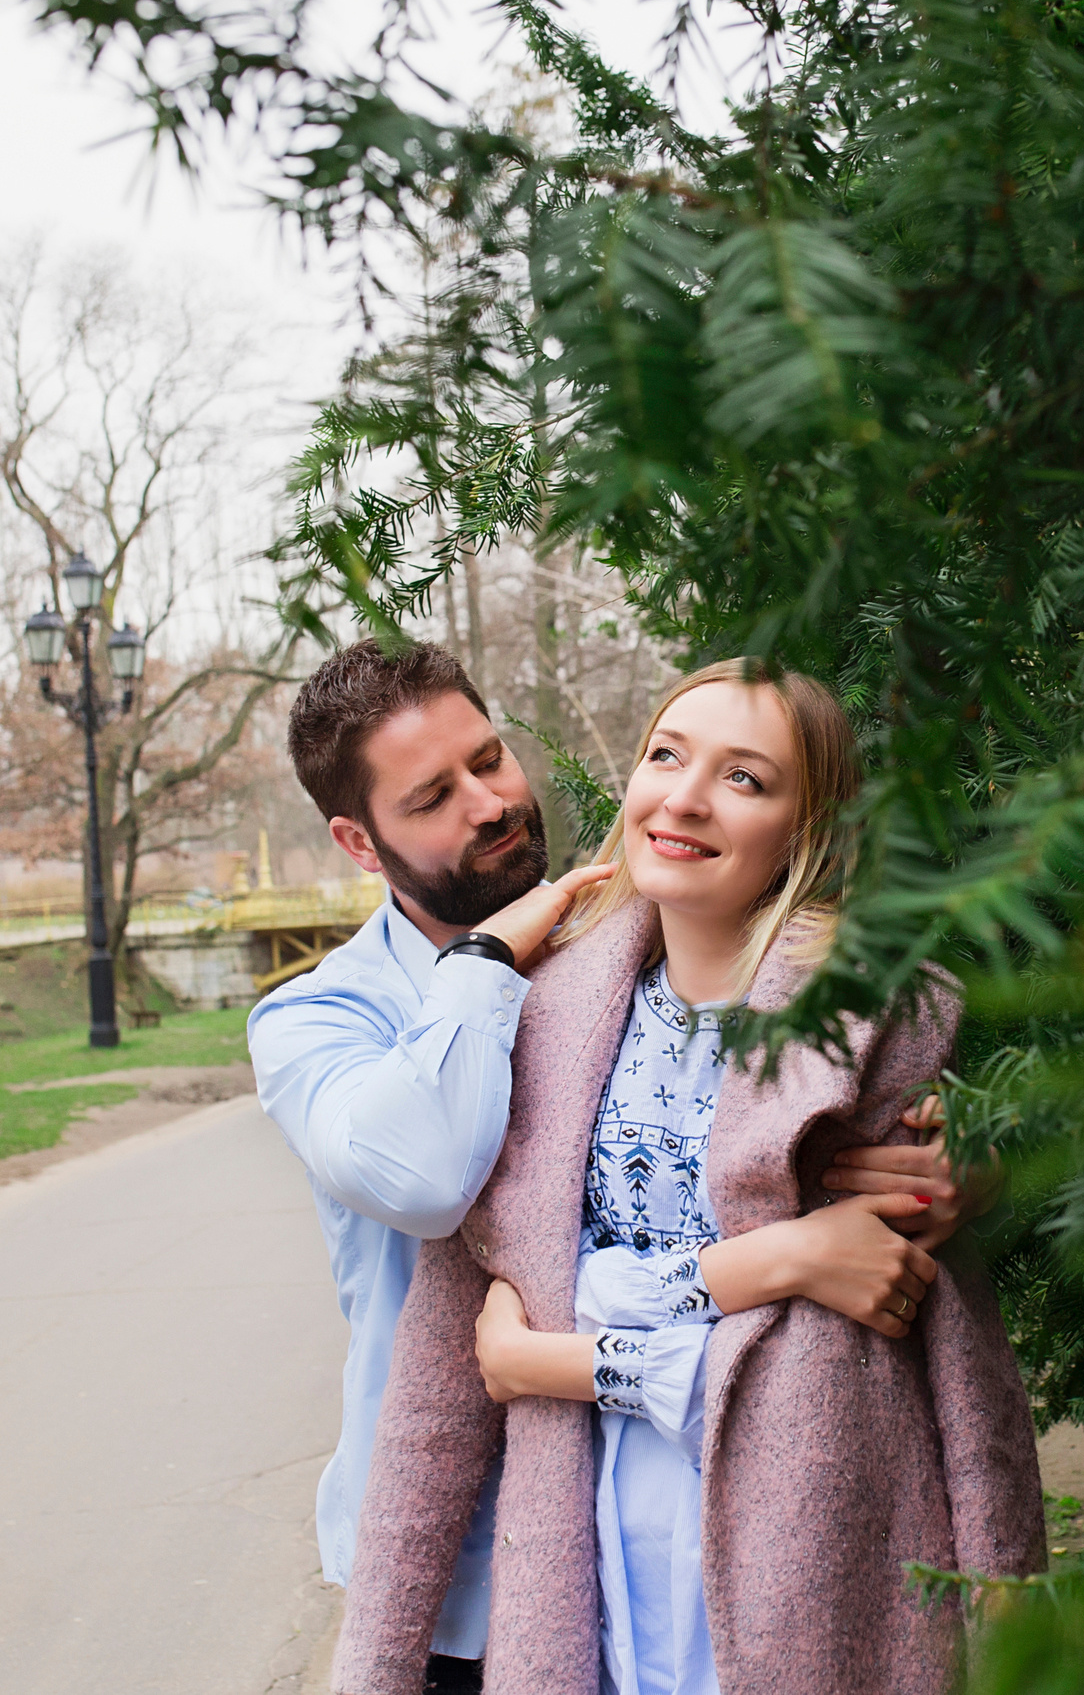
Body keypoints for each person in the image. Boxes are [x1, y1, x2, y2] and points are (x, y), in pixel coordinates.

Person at [249, 642, 987, 1695]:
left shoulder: (628, 966)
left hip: (743, 1547)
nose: (490, 803)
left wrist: (971, 1166)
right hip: (468, 1575)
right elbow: (440, 1192)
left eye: (489, 759)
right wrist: (487, 966)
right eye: (433, 797)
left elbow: (893, 1314)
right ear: (358, 842)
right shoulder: (325, 1016)